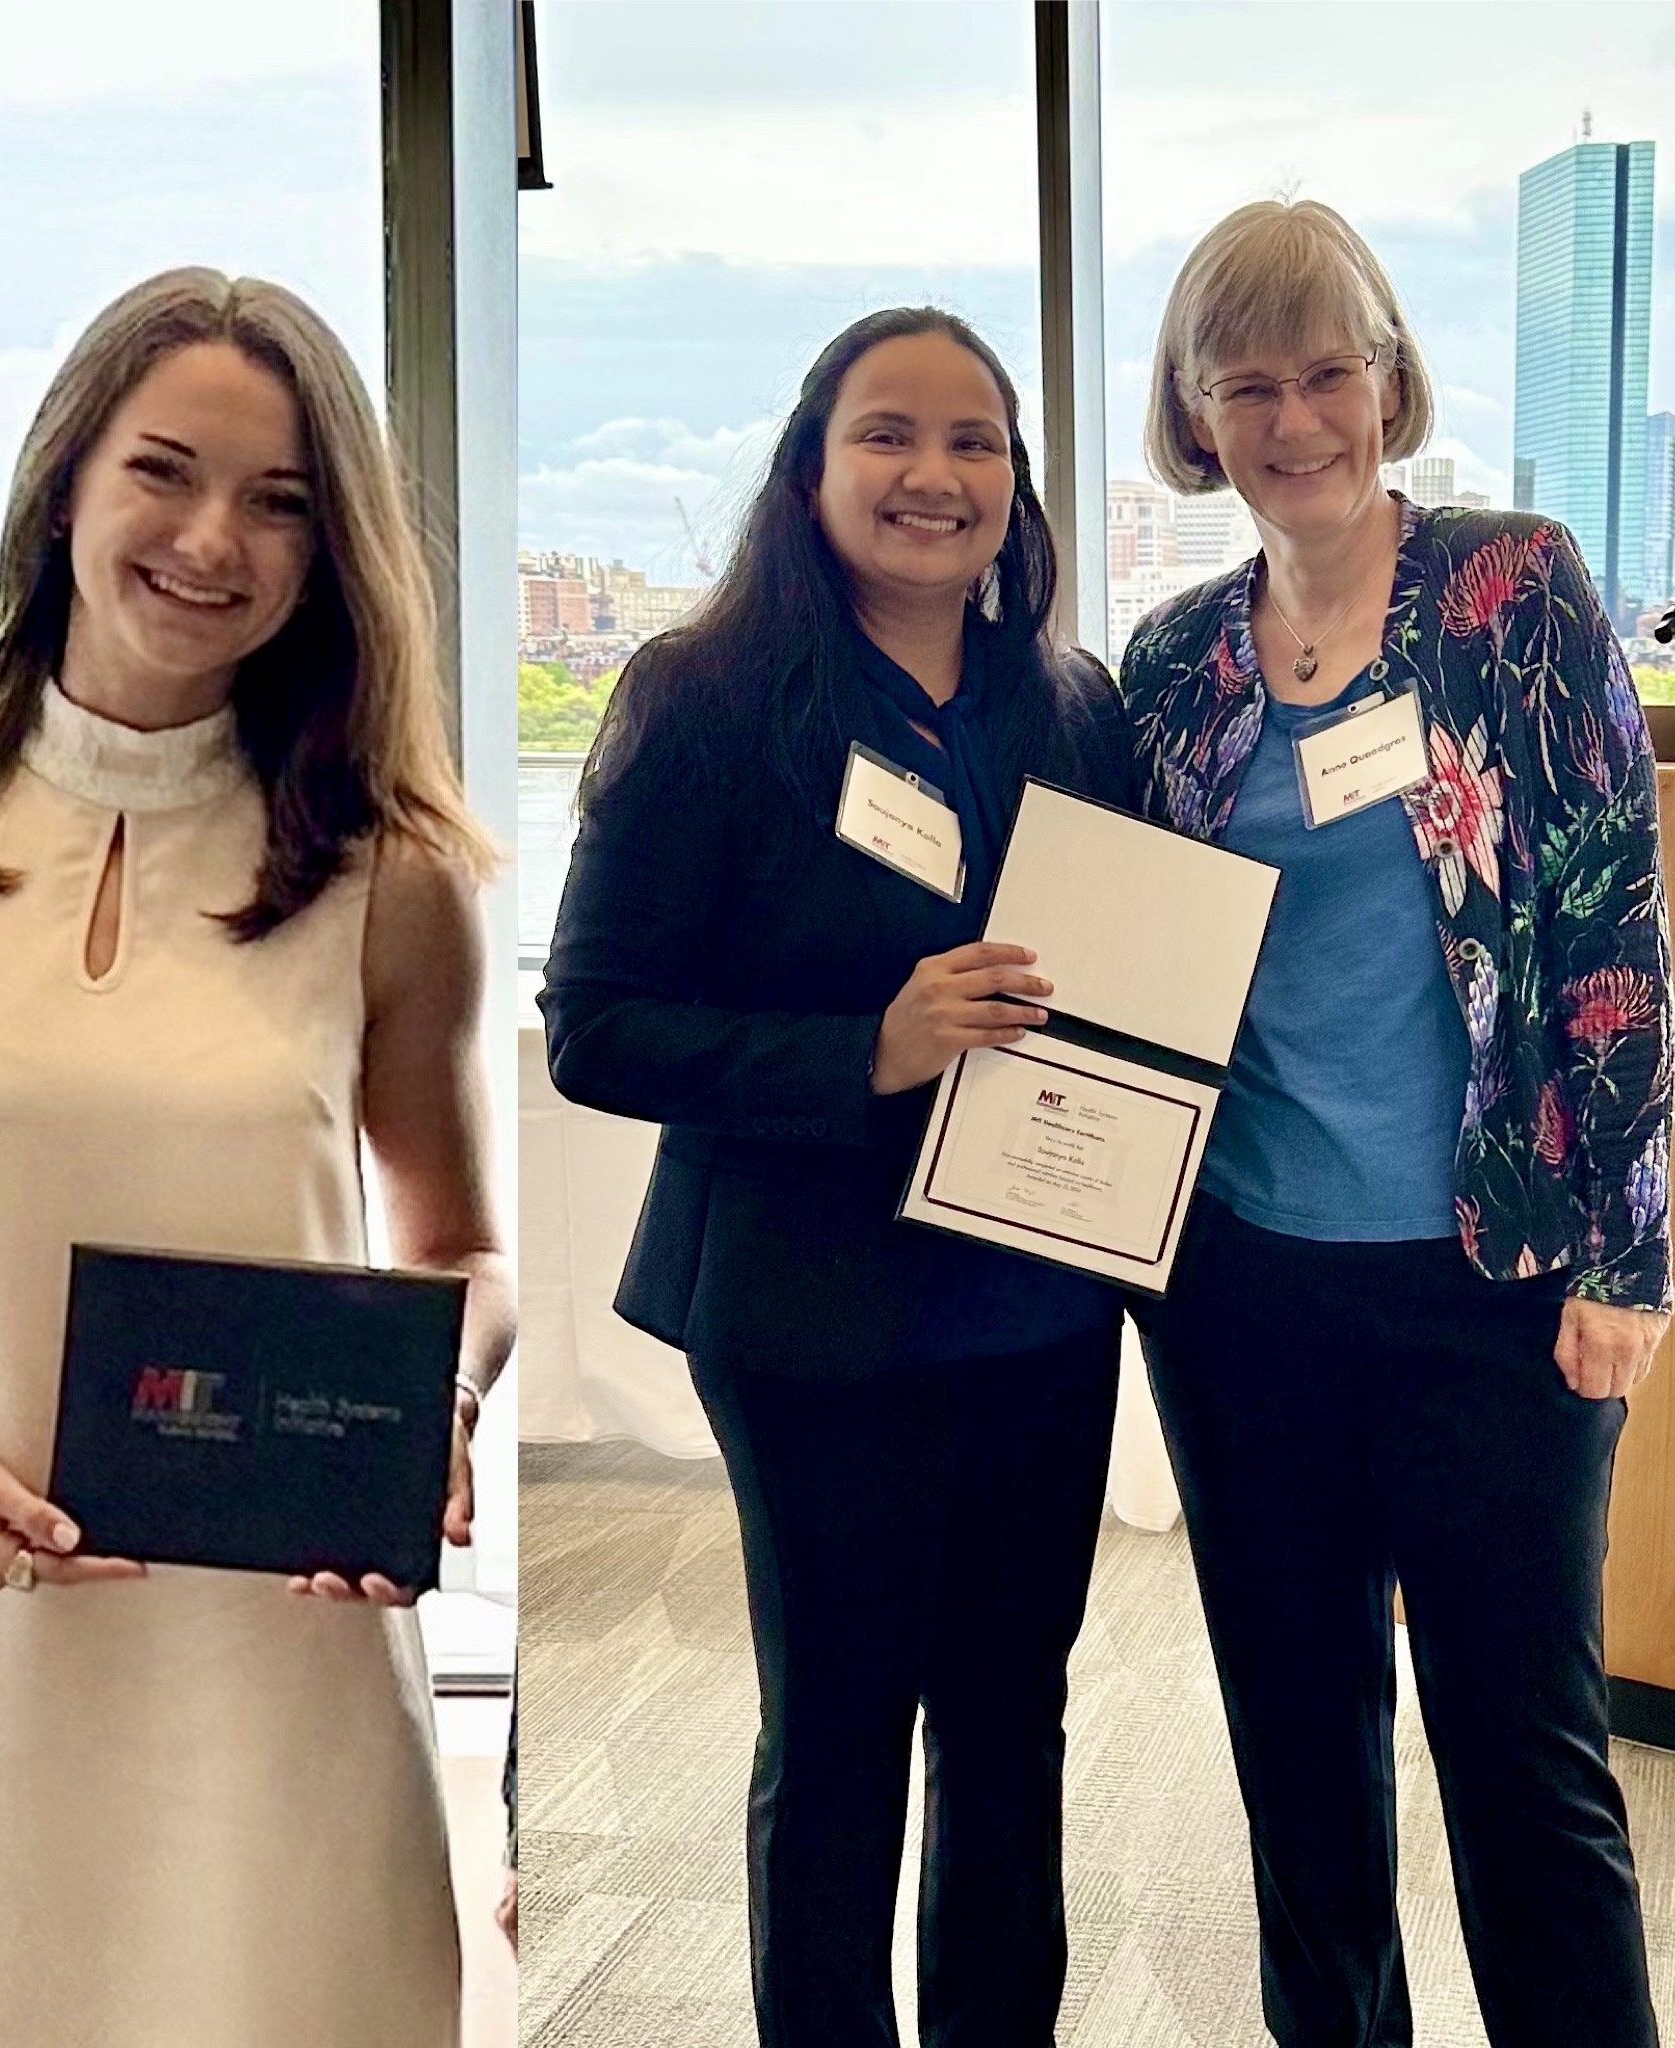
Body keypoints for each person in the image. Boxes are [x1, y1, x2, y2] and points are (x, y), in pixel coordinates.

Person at [0, 267, 512, 2048]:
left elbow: (460, 1251)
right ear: (65, 487)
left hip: (275, 1648)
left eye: (281, 502)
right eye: (166, 471)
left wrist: (429, 1397)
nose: (215, 539)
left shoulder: (391, 879)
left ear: (328, 551)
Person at [541, 307, 1130, 2048]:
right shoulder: (706, 699)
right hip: (811, 1313)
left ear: (1016, 488)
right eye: (889, 434)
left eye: (975, 442)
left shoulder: (1068, 705)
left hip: (1033, 1296)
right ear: (810, 466)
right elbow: (599, 1028)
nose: (933, 476)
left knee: (1015, 1727)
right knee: (844, 1731)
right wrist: (864, 1050)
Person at [1120, 199, 1670, 2048]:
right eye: (1246, 382)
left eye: (1327, 370)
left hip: (1493, 1289)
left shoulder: (1515, 591)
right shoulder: (1174, 661)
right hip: (1242, 1288)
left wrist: (1629, 1257)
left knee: (1526, 1764)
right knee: (1299, 1756)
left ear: (1386, 379)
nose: (1294, 418)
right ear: (1196, 414)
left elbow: (1612, 932)